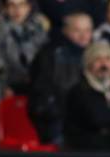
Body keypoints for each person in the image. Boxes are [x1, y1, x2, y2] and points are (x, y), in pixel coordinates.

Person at [28, 12, 93, 145]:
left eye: (87, 30)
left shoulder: (98, 55)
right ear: (65, 31)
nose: (83, 36)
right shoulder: (49, 56)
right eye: (77, 30)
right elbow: (43, 98)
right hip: (60, 125)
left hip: (90, 123)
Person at [0, 0, 49, 94]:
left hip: (37, 85)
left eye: (22, 4)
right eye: (12, 5)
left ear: (29, 7)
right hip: (7, 86)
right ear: (5, 8)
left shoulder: (38, 27)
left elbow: (45, 57)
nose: (17, 10)